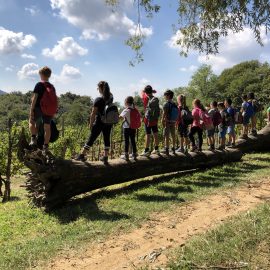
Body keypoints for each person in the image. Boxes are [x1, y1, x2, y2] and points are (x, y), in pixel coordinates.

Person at [75, 81, 114, 164]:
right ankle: (105, 157)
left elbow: (93, 113)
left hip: (99, 122)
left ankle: (82, 155)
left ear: (101, 88)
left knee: (91, 138)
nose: (98, 90)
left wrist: (90, 123)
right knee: (106, 138)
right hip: (108, 122)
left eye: (98, 88)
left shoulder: (98, 99)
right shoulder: (111, 97)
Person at [29, 66, 57, 154]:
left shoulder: (39, 84)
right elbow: (55, 100)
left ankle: (33, 138)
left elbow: (35, 98)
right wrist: (53, 112)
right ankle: (45, 146)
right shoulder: (52, 87)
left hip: (38, 108)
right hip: (48, 110)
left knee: (31, 121)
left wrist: (31, 110)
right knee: (47, 128)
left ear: (41, 74)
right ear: (49, 75)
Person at [140, 85, 160, 156]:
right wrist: (152, 91)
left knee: (148, 134)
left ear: (146, 92)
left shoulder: (145, 97)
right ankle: (156, 149)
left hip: (147, 119)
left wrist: (147, 91)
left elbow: (142, 92)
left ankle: (146, 150)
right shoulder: (155, 99)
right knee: (155, 133)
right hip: (154, 119)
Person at [119, 96, 140, 160]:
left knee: (126, 141)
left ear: (126, 102)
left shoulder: (126, 110)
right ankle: (135, 153)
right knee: (133, 140)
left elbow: (120, 118)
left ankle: (126, 155)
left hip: (127, 127)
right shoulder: (135, 109)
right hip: (133, 127)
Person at [161, 90, 177, 155]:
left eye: (165, 95)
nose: (164, 96)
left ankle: (166, 149)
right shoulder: (174, 103)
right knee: (173, 135)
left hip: (167, 121)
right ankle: (173, 148)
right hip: (173, 121)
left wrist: (162, 120)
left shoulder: (166, 104)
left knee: (166, 135)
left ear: (168, 96)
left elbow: (164, 113)